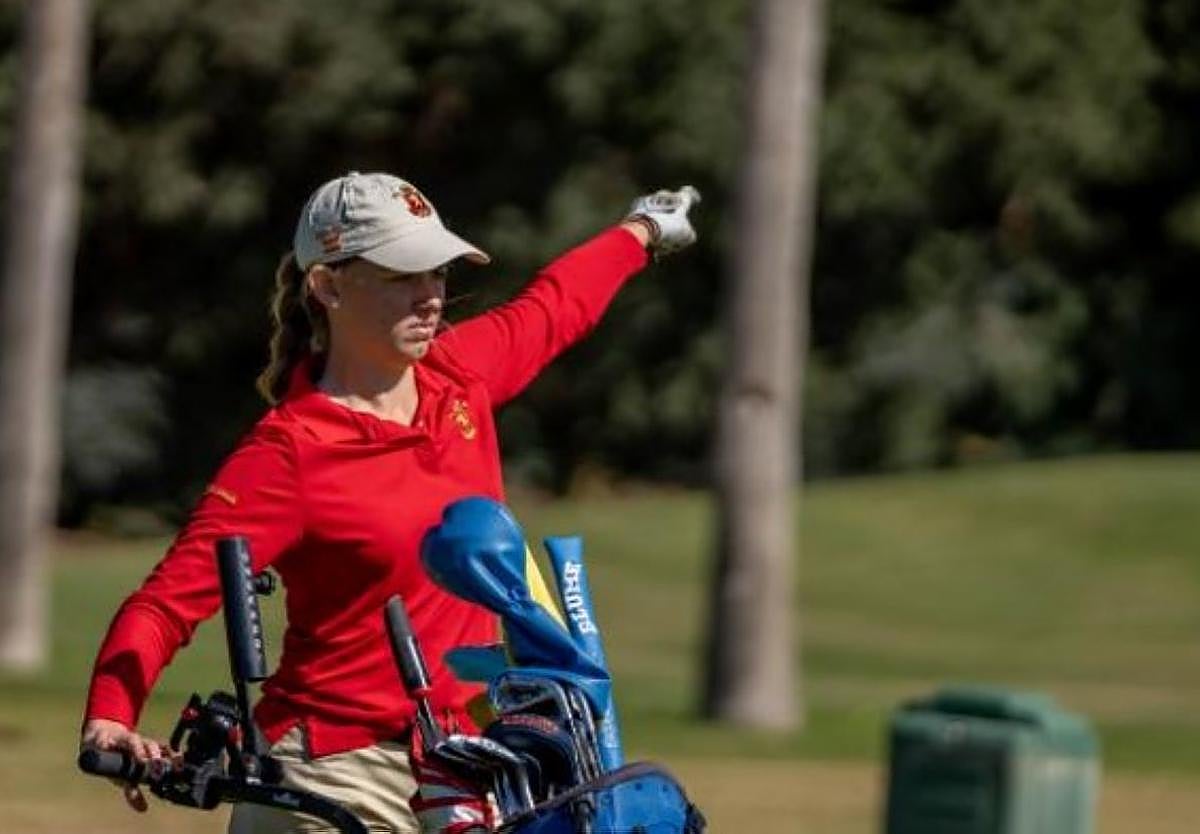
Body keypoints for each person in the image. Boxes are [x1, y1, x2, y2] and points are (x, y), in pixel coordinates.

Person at [79, 171, 701, 833]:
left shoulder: (456, 378)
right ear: (328, 286)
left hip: (466, 764)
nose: (430, 295)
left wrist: (642, 229)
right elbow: (167, 602)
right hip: (333, 771)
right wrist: (111, 715)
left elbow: (553, 307)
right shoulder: (289, 452)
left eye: (437, 272)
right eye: (403, 275)